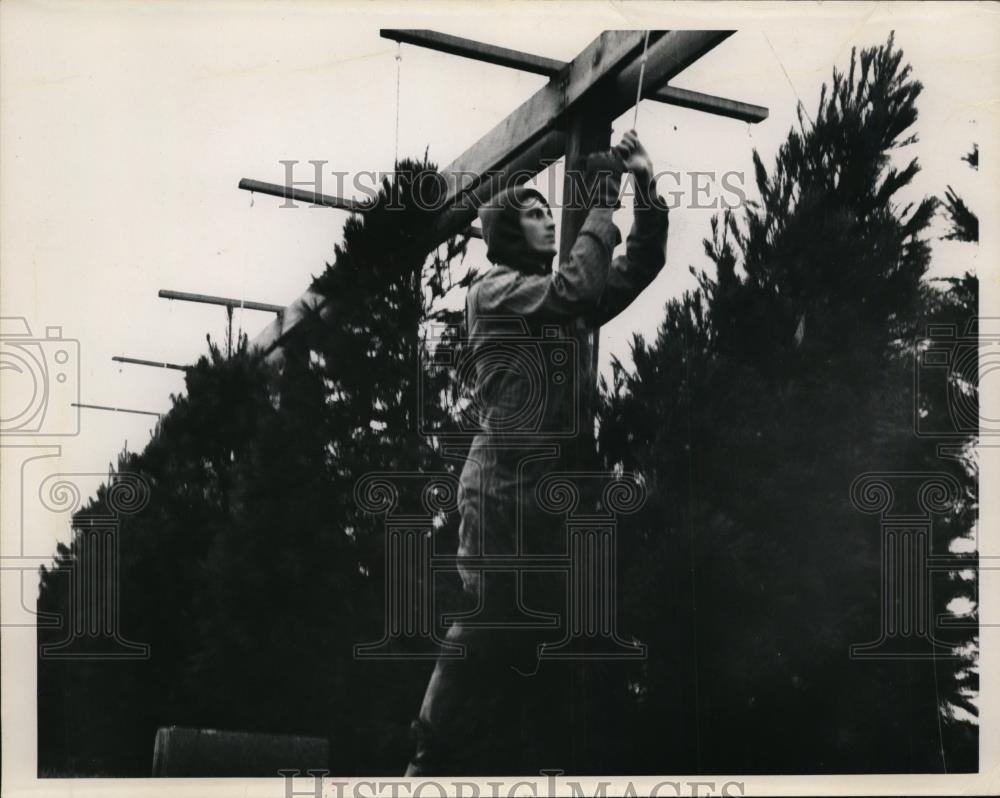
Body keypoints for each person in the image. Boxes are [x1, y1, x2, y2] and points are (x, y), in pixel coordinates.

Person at [406, 130, 669, 776]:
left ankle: (514, 763)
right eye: (534, 214)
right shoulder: (496, 293)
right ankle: (425, 754)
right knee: (490, 614)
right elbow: (576, 289)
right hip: (499, 487)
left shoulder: (555, 299)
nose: (550, 220)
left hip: (549, 491)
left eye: (552, 212)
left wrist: (644, 187)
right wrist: (600, 200)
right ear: (504, 234)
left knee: (544, 629)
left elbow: (635, 268)